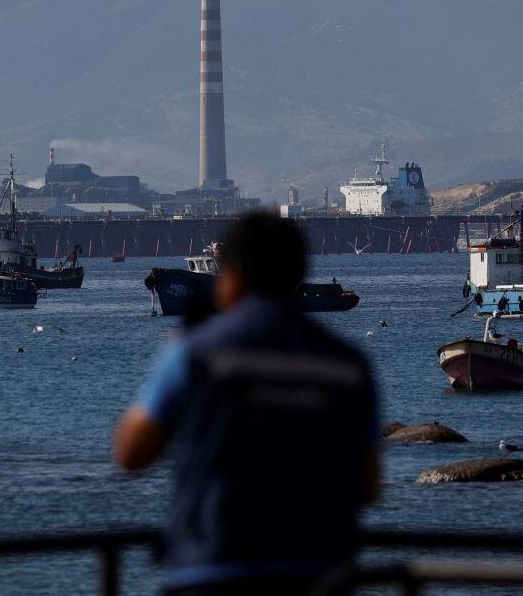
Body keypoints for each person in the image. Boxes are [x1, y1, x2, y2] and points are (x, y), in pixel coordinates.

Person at [114, 212, 380, 595]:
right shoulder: (349, 365)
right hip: (319, 574)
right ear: (296, 273)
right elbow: (367, 486)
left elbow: (130, 454)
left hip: (214, 571)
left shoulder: (195, 352)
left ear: (233, 276)